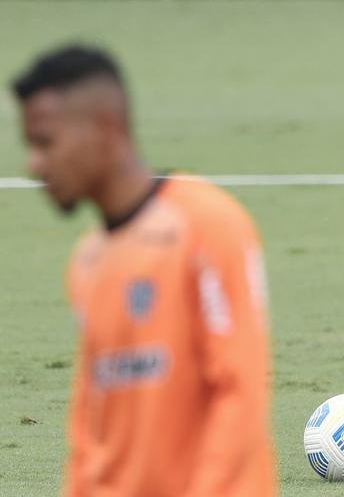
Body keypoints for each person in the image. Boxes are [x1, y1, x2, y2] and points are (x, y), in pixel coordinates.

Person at [12, 46, 276, 497]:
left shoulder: (206, 226)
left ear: (106, 129)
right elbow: (90, 432)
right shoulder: (89, 259)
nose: (34, 164)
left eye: (45, 142)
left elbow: (239, 396)